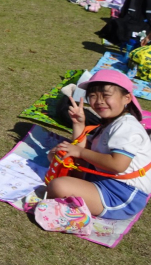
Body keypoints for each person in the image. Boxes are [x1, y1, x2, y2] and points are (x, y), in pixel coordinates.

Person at [47, 70, 151, 220]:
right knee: (58, 154)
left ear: (127, 98)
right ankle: (77, 189)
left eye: (106, 95)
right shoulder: (110, 122)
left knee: (58, 186)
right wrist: (78, 123)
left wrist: (79, 153)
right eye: (93, 95)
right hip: (103, 176)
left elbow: (117, 165)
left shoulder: (127, 127)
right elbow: (83, 147)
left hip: (121, 194)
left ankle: (75, 200)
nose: (99, 100)